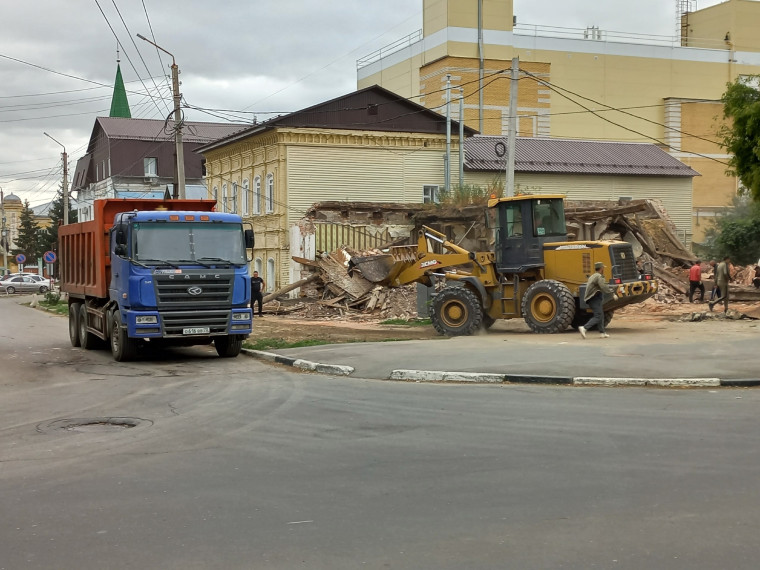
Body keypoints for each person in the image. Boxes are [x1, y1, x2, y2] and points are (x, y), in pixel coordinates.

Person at [579, 261, 618, 339]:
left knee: (601, 315)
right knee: (598, 316)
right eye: (603, 267)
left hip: (593, 298)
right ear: (601, 268)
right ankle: (584, 328)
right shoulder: (599, 277)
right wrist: (612, 294)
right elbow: (603, 286)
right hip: (594, 299)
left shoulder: (593, 276)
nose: (604, 269)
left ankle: (602, 333)